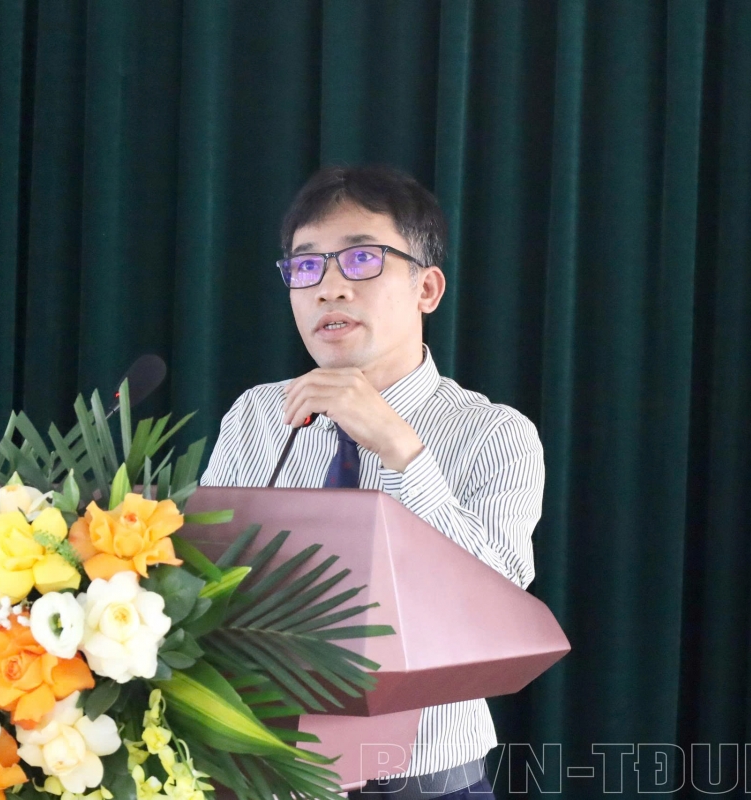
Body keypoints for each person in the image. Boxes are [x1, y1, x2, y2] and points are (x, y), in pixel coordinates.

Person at [200, 165, 545, 800]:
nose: (329, 288)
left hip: (427, 778)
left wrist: (400, 449)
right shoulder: (258, 416)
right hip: (272, 773)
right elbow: (205, 586)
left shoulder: (494, 433)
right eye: (306, 266)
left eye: (362, 259)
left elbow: (498, 607)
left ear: (427, 288)